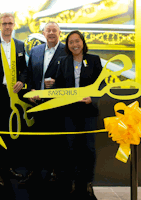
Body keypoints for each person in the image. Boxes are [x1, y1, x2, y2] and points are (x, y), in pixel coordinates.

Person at [55, 30, 103, 199]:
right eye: (70, 42)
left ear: (83, 42)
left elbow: (102, 85)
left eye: (77, 41)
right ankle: (73, 183)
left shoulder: (94, 60)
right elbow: (58, 87)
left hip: (88, 112)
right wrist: (44, 92)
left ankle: (88, 183)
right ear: (67, 45)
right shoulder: (63, 61)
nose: (74, 44)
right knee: (70, 148)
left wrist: (93, 98)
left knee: (88, 149)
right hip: (69, 112)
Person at [0, 13, 28, 186]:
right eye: (4, 23)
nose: (7, 26)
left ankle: (8, 168)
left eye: (10, 23)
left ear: (14, 25)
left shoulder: (20, 45)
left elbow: (24, 69)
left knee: (11, 134)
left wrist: (22, 81)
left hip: (15, 96)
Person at [22, 22, 67, 184]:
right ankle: (34, 173)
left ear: (59, 33)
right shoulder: (35, 51)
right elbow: (28, 73)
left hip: (57, 106)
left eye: (54, 30)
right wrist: (29, 90)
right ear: (43, 33)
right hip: (36, 104)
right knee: (36, 142)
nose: (51, 33)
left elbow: (70, 78)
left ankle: (55, 173)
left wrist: (56, 84)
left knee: (56, 142)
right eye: (48, 30)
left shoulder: (66, 51)